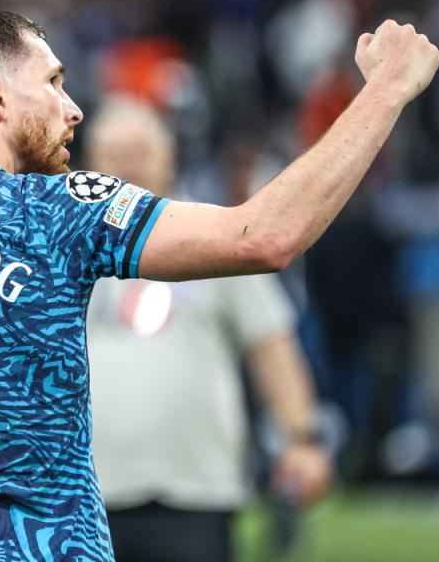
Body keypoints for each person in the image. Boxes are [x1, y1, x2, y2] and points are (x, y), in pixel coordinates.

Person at [0, 7, 439, 561]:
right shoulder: (59, 209)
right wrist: (386, 91)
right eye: (52, 82)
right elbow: (266, 236)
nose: (73, 108)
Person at [83, 97, 332, 562]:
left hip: (197, 489)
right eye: (115, 153)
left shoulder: (213, 234)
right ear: (91, 163)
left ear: (169, 153)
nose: (129, 164)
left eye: (140, 150)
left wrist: (301, 438)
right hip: (83, 492)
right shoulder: (61, 242)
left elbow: (269, 342)